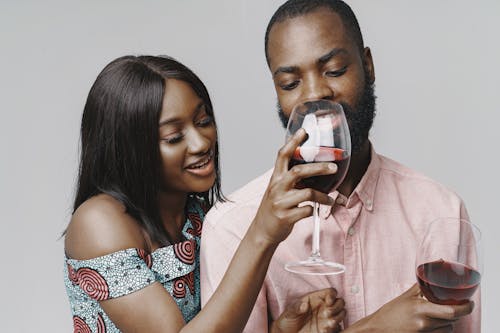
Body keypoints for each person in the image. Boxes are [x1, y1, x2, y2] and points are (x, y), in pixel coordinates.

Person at [200, 1, 481, 332]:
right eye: (290, 83)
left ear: (368, 65)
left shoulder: (440, 212)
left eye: (334, 70)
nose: (317, 93)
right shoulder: (232, 228)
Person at [63, 55, 346, 332]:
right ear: (127, 149)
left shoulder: (198, 215)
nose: (201, 143)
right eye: (174, 137)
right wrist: (262, 234)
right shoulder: (98, 222)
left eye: (202, 121)